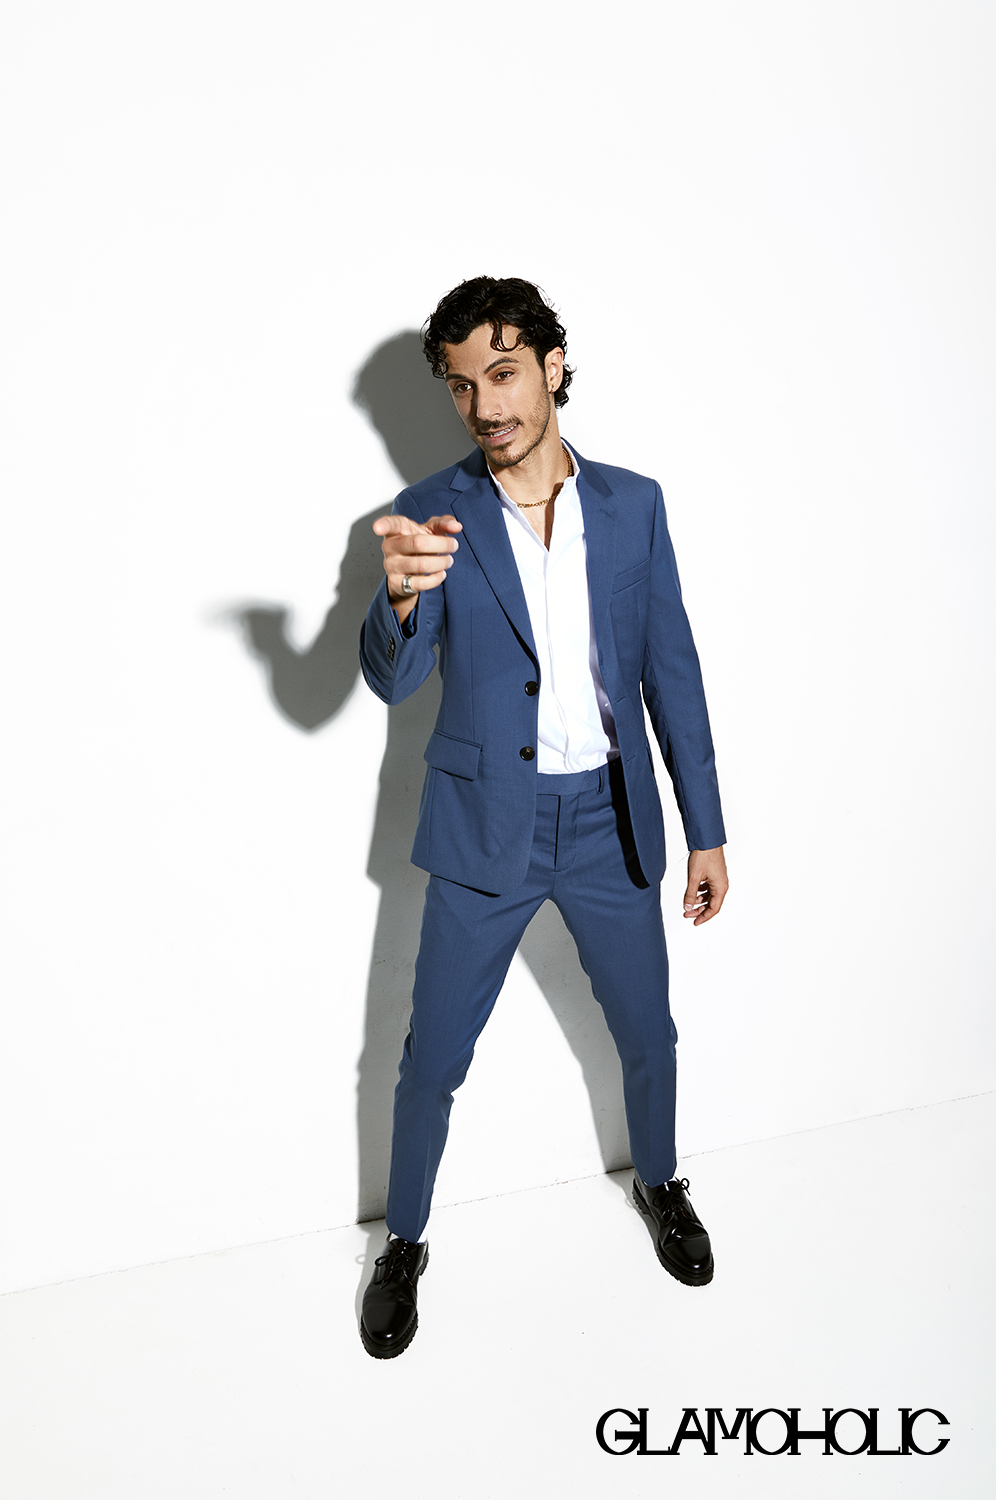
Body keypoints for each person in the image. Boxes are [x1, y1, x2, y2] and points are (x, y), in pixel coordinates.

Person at [358, 277, 728, 1358]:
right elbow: (391, 681)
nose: (485, 405)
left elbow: (672, 674)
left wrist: (705, 828)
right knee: (431, 1059)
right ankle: (404, 1242)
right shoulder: (432, 511)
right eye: (462, 384)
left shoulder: (634, 505)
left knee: (648, 1034)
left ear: (554, 367)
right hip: (485, 832)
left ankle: (661, 1180)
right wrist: (400, 599)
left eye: (505, 373)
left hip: (610, 822)